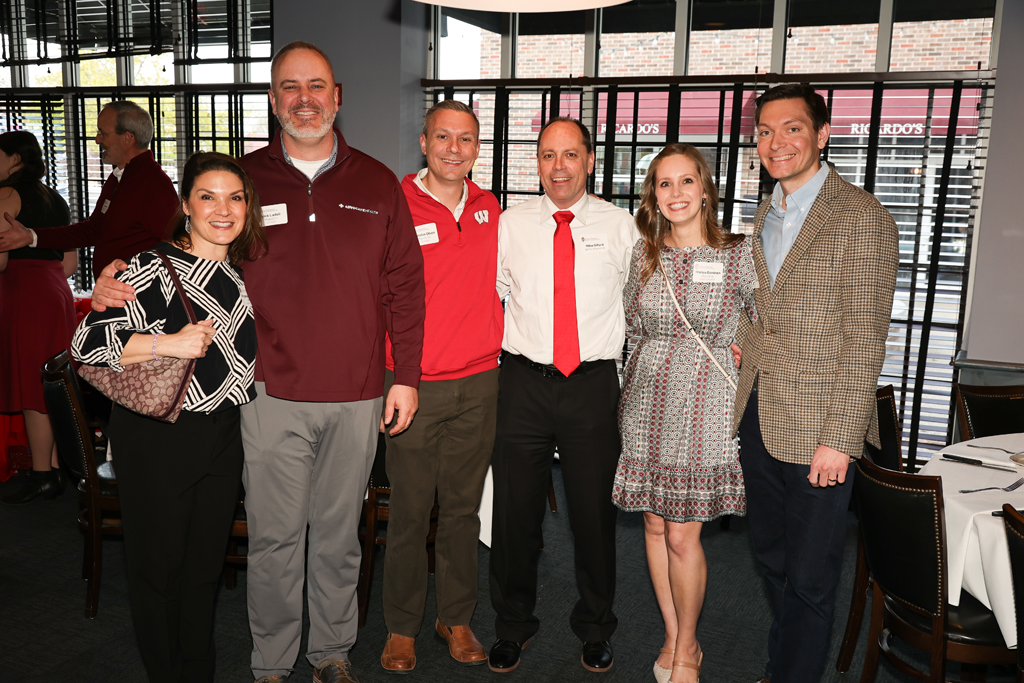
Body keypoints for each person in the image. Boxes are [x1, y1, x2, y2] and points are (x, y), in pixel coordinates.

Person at [90, 41, 425, 683]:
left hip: (357, 393)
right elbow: (192, 253)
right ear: (274, 101)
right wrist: (117, 281)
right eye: (290, 87)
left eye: (317, 86)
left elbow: (405, 286)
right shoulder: (242, 185)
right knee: (273, 541)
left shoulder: (379, 181)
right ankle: (270, 661)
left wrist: (404, 376)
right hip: (266, 393)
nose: (305, 99)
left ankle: (330, 652)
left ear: (338, 96)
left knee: (338, 538)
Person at [71, 151, 268, 683]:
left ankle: (196, 671)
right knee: (158, 573)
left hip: (225, 435)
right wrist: (168, 342)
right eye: (208, 197)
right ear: (185, 205)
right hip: (160, 436)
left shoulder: (241, 272)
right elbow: (84, 344)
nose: (222, 209)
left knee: (203, 570)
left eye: (235, 197)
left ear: (248, 207)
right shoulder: (151, 267)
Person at [733, 84, 898, 683]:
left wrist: (841, 439)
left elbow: (863, 340)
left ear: (822, 135)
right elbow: (768, 315)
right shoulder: (766, 213)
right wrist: (742, 347)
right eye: (767, 131)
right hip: (759, 415)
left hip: (822, 429)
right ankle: (787, 662)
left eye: (793, 129)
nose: (778, 142)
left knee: (810, 575)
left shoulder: (862, 216)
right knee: (770, 558)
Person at [488, 117, 638, 674]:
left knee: (593, 515)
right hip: (523, 382)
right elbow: (496, 293)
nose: (558, 167)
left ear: (590, 160)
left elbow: (641, 302)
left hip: (593, 386)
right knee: (514, 514)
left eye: (570, 154)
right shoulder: (511, 223)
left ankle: (596, 626)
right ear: (538, 162)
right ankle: (512, 624)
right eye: (548, 155)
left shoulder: (622, 225)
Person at [612, 143, 757, 683]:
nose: (676, 193)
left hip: (706, 404)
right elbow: (632, 322)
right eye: (664, 183)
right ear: (654, 194)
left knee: (682, 534)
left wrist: (741, 343)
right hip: (647, 396)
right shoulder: (645, 254)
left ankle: (690, 646)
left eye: (686, 181)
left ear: (705, 189)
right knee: (653, 524)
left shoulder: (739, 254)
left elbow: (763, 322)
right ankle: (671, 636)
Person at [378, 99, 503, 673]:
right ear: (424, 143)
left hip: (480, 381)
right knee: (408, 511)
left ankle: (455, 617)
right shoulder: (394, 206)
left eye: (468, 139)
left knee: (461, 512)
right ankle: (400, 626)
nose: (456, 148)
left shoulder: (491, 206)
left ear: (478, 148)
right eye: (444, 138)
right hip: (413, 386)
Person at [0, 101, 178, 280]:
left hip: (136, 297)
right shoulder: (119, 178)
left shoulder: (152, 183)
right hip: (116, 293)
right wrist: (31, 236)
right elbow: (93, 230)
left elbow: (177, 243)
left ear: (127, 138)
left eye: (102, 133)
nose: (97, 139)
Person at [0, 130, 76, 504]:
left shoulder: (5, 196)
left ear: (15, 159)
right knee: (53, 382)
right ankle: (58, 468)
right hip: (55, 291)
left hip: (24, 293)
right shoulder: (56, 198)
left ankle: (42, 475)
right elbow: (71, 261)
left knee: (32, 388)